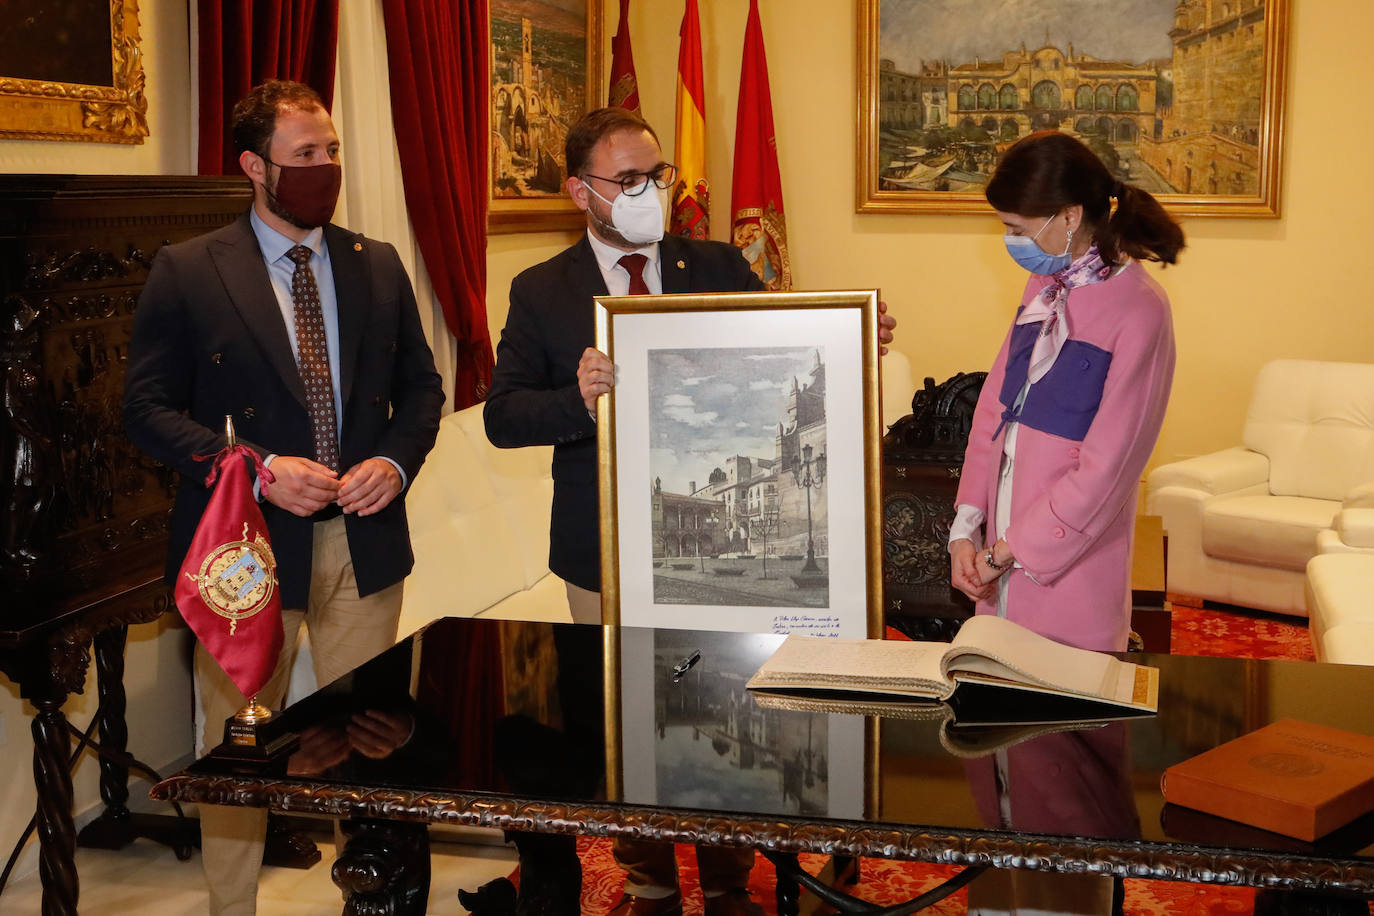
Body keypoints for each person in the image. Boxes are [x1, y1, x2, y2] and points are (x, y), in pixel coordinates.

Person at [483, 106, 894, 916]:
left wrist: (852, 338)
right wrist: (576, 399)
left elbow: (785, 346)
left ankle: (730, 880)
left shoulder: (716, 263)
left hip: (704, 586)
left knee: (726, 702)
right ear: (580, 191)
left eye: (658, 175)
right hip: (601, 551)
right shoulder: (541, 290)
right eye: (628, 180)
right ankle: (650, 880)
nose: (651, 192)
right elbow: (503, 416)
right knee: (629, 719)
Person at [123, 79, 444, 915]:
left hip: (366, 541)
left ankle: (373, 898)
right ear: (254, 166)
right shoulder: (189, 270)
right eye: (305, 154)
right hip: (248, 553)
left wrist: (393, 463)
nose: (325, 166)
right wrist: (258, 466)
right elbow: (146, 411)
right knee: (240, 746)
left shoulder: (377, 263)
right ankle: (231, 907)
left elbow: (422, 390)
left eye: (331, 150)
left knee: (369, 742)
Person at [948, 130, 1184, 653]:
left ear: (1070, 216)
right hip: (998, 565)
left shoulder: (1142, 310)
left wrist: (1005, 552)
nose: (1010, 240)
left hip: (1071, 576)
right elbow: (995, 411)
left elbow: (1106, 470)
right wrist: (966, 526)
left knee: (1062, 702)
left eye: (1016, 228)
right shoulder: (1044, 288)